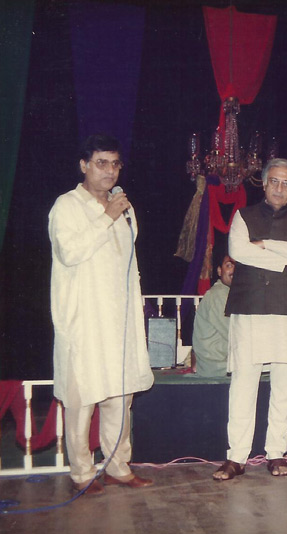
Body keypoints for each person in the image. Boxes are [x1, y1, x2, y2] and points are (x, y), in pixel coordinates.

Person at [49, 134, 154, 496]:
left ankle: (117, 467)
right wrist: (107, 217)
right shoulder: (67, 206)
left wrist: (114, 213)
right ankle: (81, 472)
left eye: (115, 163)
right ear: (84, 165)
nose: (110, 171)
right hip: (84, 318)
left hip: (119, 319)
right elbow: (69, 252)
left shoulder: (123, 206)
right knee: (83, 396)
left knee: (119, 395)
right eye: (101, 163)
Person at [212, 158, 287, 480]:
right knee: (244, 384)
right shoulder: (243, 217)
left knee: (285, 385)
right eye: (274, 181)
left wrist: (266, 245)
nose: (279, 188)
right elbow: (239, 251)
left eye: (286, 183)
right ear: (263, 182)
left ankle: (276, 453)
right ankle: (236, 457)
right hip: (251, 307)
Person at [191, 254, 235, 377]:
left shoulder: (230, 294)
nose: (234, 270)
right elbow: (235, 334)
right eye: (229, 266)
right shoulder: (218, 295)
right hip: (218, 368)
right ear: (220, 271)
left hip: (224, 365)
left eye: (239, 267)